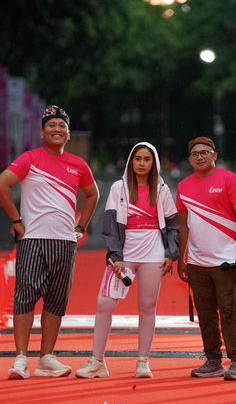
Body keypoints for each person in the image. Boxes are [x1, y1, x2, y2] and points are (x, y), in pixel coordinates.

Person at [0, 105, 99, 379]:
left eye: (62, 125)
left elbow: (93, 194)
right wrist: (16, 220)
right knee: (25, 296)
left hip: (65, 241)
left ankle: (46, 358)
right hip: (33, 239)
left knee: (56, 299)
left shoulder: (78, 164)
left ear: (69, 134)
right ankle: (20, 359)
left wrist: (81, 227)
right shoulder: (29, 159)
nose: (57, 129)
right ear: (42, 132)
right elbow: (1, 185)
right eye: (51, 125)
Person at [76, 142, 179, 379]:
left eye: (147, 159)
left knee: (147, 306)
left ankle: (143, 361)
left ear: (154, 164)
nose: (142, 163)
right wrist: (116, 256)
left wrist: (170, 253)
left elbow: (174, 224)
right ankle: (97, 361)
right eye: (138, 159)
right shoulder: (118, 187)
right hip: (124, 255)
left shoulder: (162, 189)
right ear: (131, 161)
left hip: (154, 255)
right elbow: (110, 226)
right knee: (104, 303)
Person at [176, 136, 236, 381]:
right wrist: (182, 258)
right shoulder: (184, 186)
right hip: (197, 262)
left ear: (214, 155)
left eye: (204, 152)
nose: (199, 157)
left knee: (230, 311)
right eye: (194, 154)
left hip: (226, 260)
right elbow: (184, 225)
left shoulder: (230, 180)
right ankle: (213, 360)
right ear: (189, 159)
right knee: (205, 313)